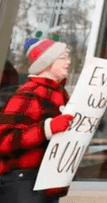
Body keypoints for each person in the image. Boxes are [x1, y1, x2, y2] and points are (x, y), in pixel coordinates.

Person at [0, 37, 74, 202]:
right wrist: (47, 129)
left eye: (68, 57)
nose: (68, 62)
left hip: (47, 181)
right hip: (24, 182)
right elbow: (4, 142)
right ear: (46, 63)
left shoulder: (60, 94)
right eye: (62, 58)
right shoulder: (30, 92)